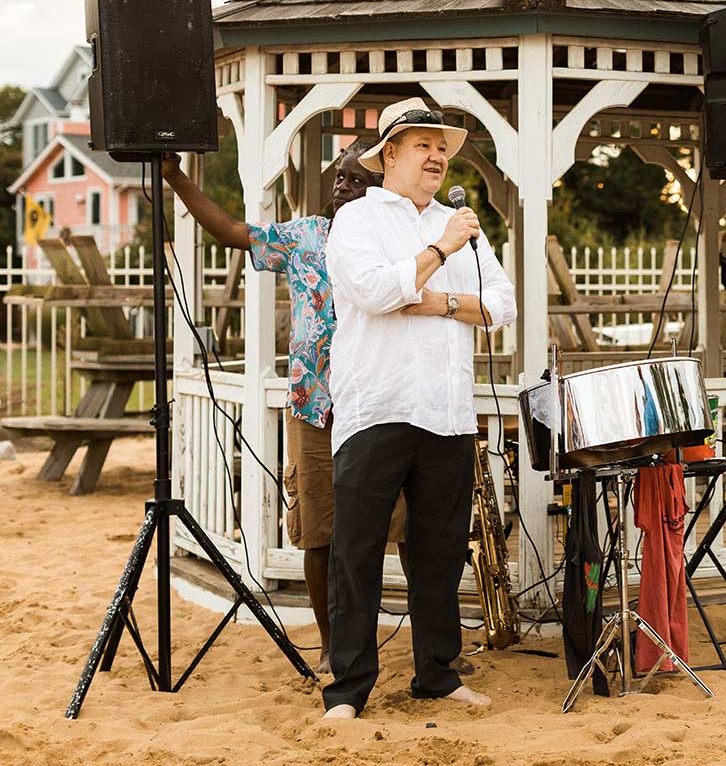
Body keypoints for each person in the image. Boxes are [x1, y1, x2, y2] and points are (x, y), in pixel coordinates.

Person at [161, 144, 409, 675]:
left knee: (407, 525)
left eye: (353, 179)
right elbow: (233, 232)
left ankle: (429, 643)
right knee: (319, 526)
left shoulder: (400, 240)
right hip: (315, 408)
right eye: (337, 177)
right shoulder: (307, 236)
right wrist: (176, 179)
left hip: (383, 404)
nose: (339, 187)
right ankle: (330, 643)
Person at [321, 98, 516, 719]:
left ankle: (437, 674)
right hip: (376, 406)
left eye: (442, 146)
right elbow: (375, 291)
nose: (436, 156)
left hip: (447, 411)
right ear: (390, 157)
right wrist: (437, 251)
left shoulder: (461, 221)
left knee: (439, 552)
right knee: (357, 554)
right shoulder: (357, 220)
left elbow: (501, 306)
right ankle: (347, 691)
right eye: (422, 145)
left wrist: (436, 301)